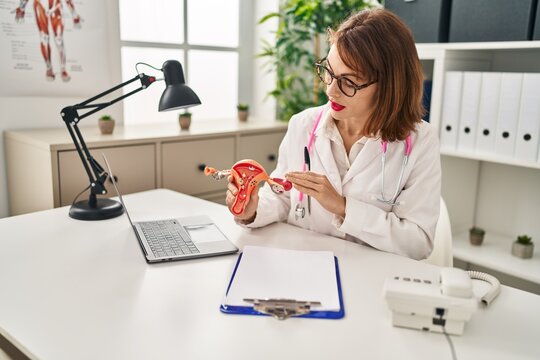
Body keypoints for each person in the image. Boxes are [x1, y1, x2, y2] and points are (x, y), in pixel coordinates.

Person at [226, 9, 441, 260]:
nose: (331, 90)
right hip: (303, 266)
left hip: (370, 276)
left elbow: (418, 242)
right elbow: (282, 198)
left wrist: (342, 207)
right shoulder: (303, 125)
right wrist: (251, 211)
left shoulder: (419, 142)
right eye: (328, 71)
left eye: (349, 82)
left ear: (389, 85)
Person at [14, 0, 81, 82]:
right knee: (44, 38)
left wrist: (74, 15)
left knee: (59, 39)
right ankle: (49, 68)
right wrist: (22, 7)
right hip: (40, 5)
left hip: (56, 6)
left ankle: (63, 69)